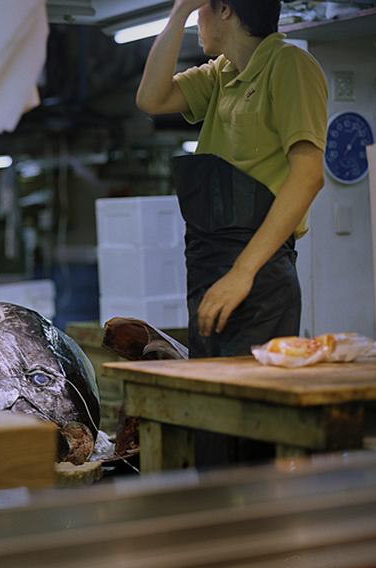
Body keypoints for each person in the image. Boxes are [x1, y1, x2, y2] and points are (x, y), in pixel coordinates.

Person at [136, 0, 327, 359]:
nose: (197, 20)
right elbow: (151, 98)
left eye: (199, 9)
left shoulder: (289, 65)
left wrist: (243, 272)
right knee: (211, 401)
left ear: (225, 9)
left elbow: (308, 175)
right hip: (210, 267)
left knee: (251, 403)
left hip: (257, 274)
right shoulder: (221, 74)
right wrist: (177, 13)